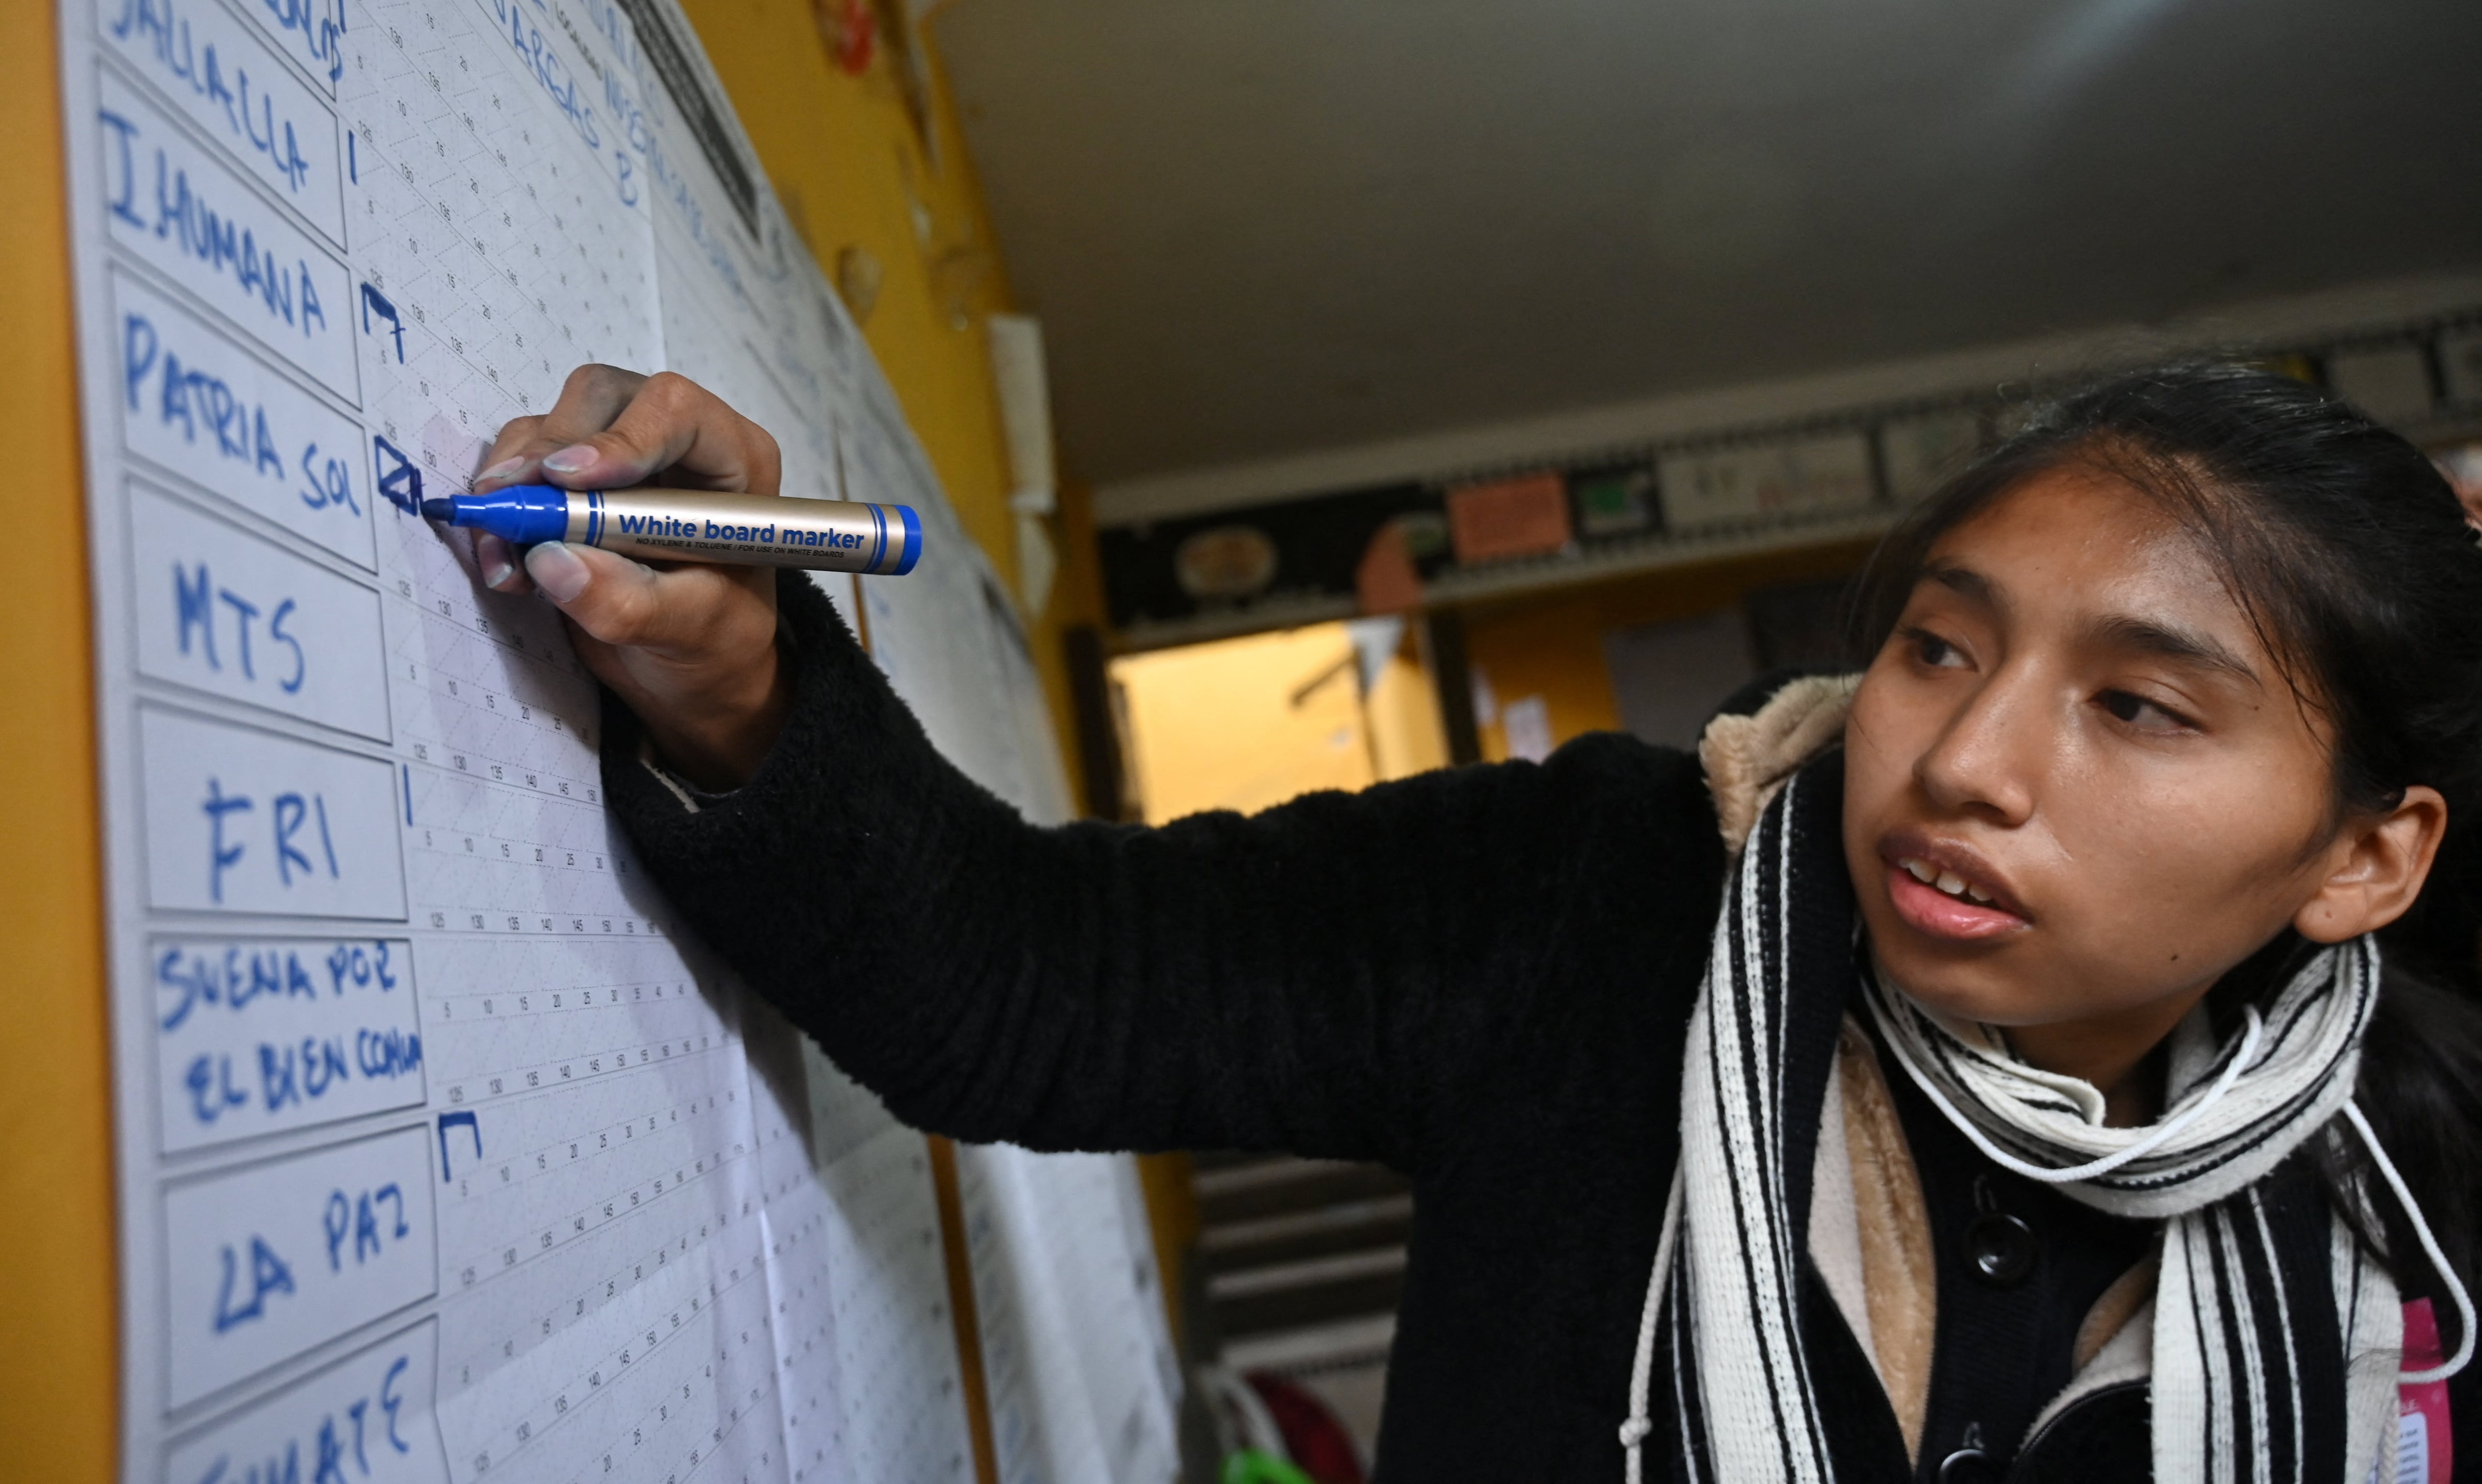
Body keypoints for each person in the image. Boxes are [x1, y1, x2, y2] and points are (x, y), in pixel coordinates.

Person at [465, 359, 2482, 1483]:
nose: (1962, 760)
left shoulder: (2411, 1209)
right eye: (1937, 645)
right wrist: (733, 672)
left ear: (2363, 858)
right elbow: (1021, 979)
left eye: (2132, 705)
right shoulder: (1598, 896)